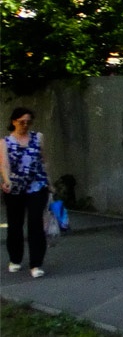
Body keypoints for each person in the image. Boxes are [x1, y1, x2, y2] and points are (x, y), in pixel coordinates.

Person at [1, 106, 50, 277]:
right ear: (14, 122)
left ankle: (36, 264)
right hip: (15, 188)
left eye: (28, 122)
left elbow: (43, 161)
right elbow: (4, 164)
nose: (25, 125)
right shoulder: (5, 142)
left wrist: (49, 182)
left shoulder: (38, 138)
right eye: (22, 122)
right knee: (15, 225)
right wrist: (7, 181)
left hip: (37, 185)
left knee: (36, 223)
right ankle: (15, 259)